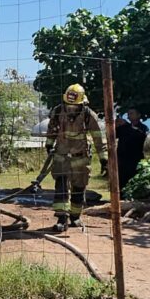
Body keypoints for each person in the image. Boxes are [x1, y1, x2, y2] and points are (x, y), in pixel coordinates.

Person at [45, 84, 107, 232]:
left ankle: (75, 217)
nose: (70, 109)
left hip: (81, 158)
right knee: (61, 188)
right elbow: (52, 129)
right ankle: (62, 219)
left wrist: (103, 158)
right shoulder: (58, 111)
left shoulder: (88, 114)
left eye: (74, 106)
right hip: (61, 157)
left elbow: (98, 136)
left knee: (79, 188)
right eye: (68, 105)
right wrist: (49, 144)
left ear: (82, 103)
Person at [115, 108, 149, 190]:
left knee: (134, 179)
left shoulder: (143, 127)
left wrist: (126, 124)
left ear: (138, 115)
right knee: (121, 180)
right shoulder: (124, 127)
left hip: (135, 159)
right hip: (122, 159)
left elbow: (139, 135)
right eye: (128, 114)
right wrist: (115, 125)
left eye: (131, 113)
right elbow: (112, 135)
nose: (129, 115)